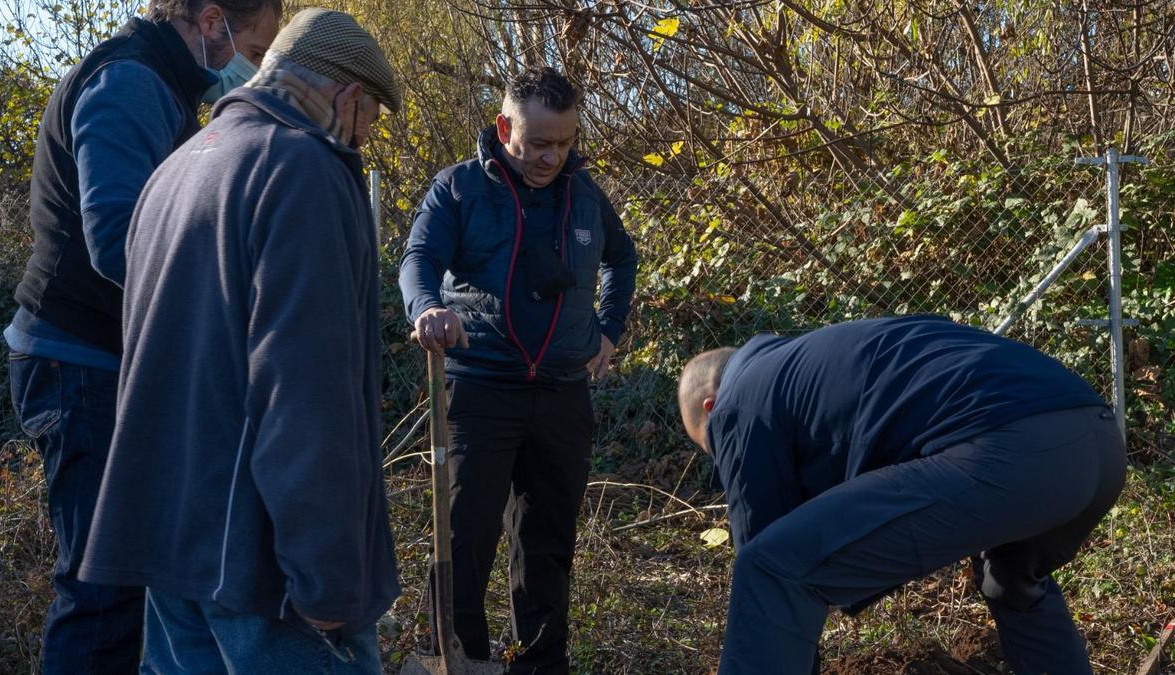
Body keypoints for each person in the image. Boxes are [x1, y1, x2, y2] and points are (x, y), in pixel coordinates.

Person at [75, 9, 402, 673]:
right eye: (371, 120)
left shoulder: (176, 170)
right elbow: (307, 394)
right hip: (262, 572)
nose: (365, 138)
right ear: (348, 98)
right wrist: (327, 576)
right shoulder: (303, 169)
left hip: (167, 553)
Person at [3, 0, 279, 670]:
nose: (256, 66)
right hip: (79, 364)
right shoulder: (129, 82)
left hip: (108, 361)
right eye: (255, 42)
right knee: (103, 591)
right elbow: (120, 240)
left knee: (130, 583)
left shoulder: (162, 82)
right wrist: (226, 309)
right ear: (212, 20)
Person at [678, 315, 1126, 675]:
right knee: (1011, 580)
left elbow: (767, 556)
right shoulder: (813, 359)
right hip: (1098, 445)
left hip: (1010, 452)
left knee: (769, 571)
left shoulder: (740, 401)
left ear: (711, 409)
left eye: (713, 446)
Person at [399, 66, 638, 673]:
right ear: (505, 126)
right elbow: (420, 256)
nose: (551, 157)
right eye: (537, 143)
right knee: (463, 539)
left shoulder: (584, 194)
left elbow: (622, 255)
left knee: (548, 545)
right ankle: (457, 659)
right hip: (480, 391)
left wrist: (609, 331)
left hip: (562, 396)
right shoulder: (458, 189)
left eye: (564, 143)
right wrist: (427, 307)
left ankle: (539, 665)